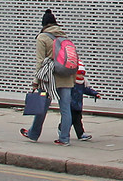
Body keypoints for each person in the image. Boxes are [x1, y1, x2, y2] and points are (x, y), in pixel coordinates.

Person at [23, 9, 77, 145]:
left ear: (44, 24)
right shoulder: (64, 37)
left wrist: (36, 80)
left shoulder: (42, 38)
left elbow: (40, 61)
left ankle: (33, 134)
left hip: (49, 78)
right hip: (66, 77)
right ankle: (64, 139)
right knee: (65, 109)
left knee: (41, 106)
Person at [69, 61, 101, 143]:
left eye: (83, 74)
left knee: (77, 120)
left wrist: (95, 94)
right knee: (70, 120)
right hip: (70, 105)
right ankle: (64, 130)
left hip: (78, 105)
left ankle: (79, 134)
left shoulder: (82, 83)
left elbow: (87, 90)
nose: (81, 76)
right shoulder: (71, 82)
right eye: (79, 73)